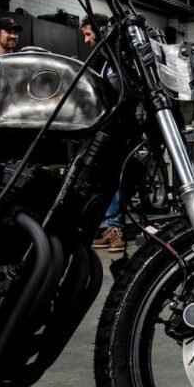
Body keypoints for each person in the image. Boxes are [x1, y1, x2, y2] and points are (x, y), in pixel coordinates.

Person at [80, 15, 125, 254]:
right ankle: (109, 228)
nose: (87, 40)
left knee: (114, 180)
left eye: (88, 34)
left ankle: (115, 230)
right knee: (104, 180)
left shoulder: (116, 57)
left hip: (118, 129)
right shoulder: (104, 60)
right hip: (104, 128)